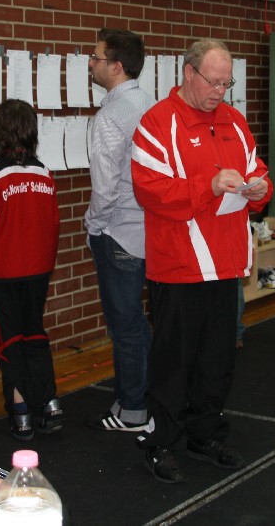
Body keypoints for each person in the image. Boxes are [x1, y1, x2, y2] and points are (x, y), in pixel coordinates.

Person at [131, 38, 272, 484]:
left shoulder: (234, 121)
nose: (219, 91)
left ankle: (205, 434)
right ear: (189, 73)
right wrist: (208, 186)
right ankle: (160, 442)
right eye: (212, 82)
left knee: (217, 359)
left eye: (226, 83)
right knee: (173, 362)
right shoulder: (156, 124)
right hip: (180, 266)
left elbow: (258, 171)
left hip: (227, 264)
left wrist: (260, 190)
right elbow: (150, 191)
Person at [0, 99, 62, 441]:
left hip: (4, 274)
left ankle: (21, 411)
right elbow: (53, 225)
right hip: (38, 272)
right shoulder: (44, 174)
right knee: (34, 334)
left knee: (9, 342)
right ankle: (49, 402)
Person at [84, 28, 156, 433]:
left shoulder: (111, 116)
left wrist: (94, 226)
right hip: (151, 231)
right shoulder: (152, 105)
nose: (90, 63)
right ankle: (142, 396)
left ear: (116, 67)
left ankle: (132, 410)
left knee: (125, 326)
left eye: (96, 57)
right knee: (139, 324)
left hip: (119, 233)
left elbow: (106, 187)